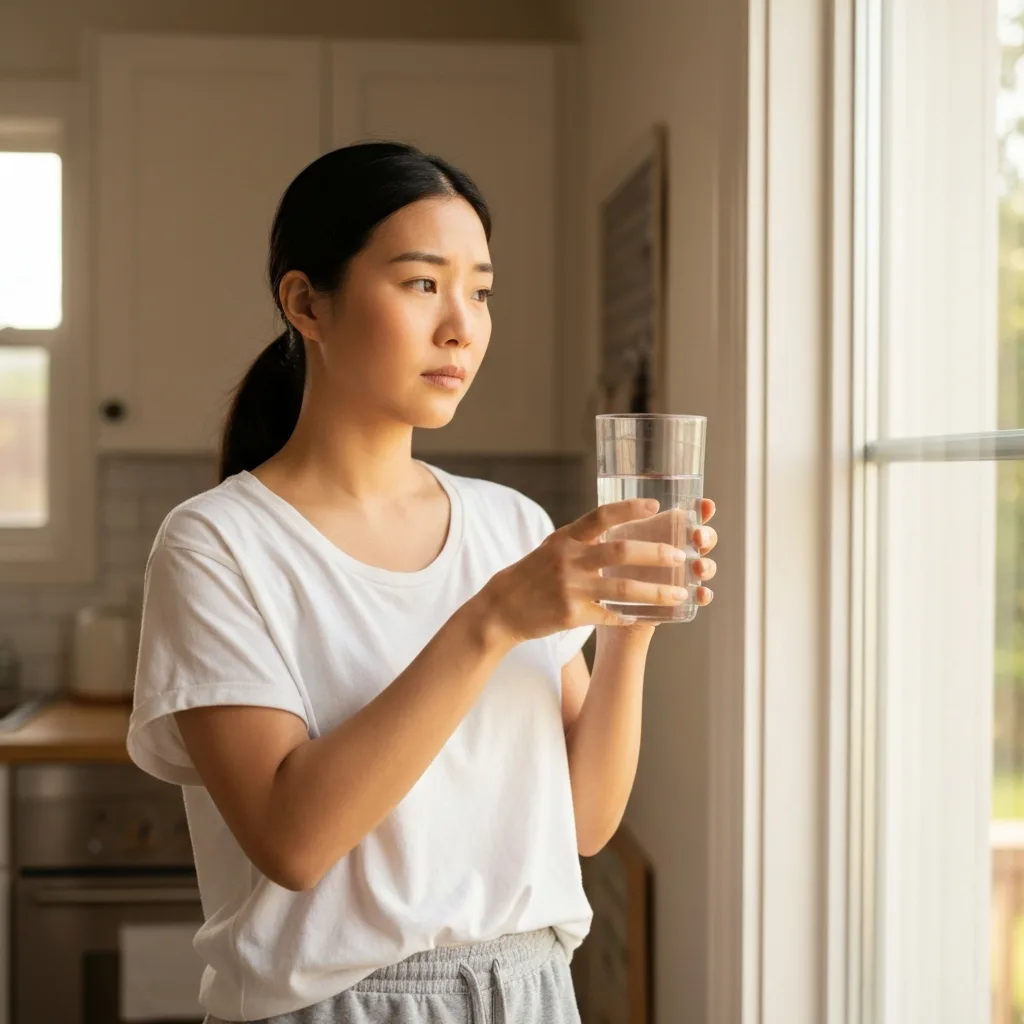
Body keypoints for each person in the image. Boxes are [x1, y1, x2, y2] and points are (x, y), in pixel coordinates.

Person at [126, 141, 718, 1024]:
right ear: (305, 303)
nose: (462, 325)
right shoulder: (217, 544)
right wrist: (494, 620)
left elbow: (583, 824)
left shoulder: (508, 525)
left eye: (480, 290)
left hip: (531, 994)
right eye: (420, 283)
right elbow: (293, 840)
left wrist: (631, 625)